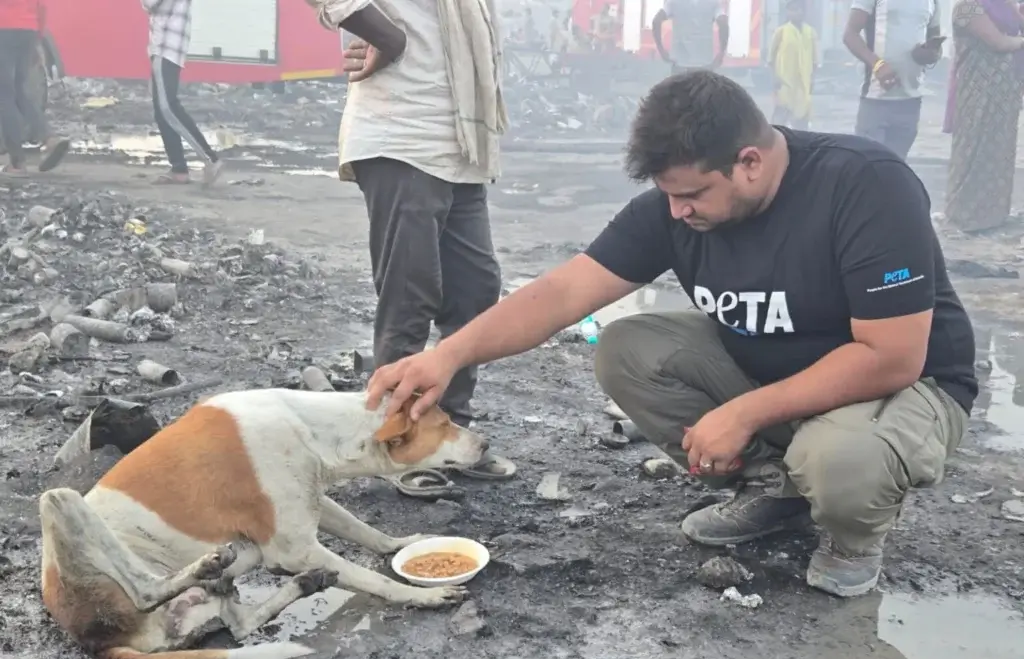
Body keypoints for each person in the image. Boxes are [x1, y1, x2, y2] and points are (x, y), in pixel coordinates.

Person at [365, 70, 977, 598]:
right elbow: (563, 293)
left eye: (692, 194)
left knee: (841, 459)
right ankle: (779, 488)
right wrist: (447, 355)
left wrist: (744, 412)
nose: (679, 212)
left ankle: (851, 539)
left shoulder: (866, 184)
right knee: (629, 349)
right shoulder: (676, 206)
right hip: (781, 372)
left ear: (750, 162)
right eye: (668, 196)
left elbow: (891, 356)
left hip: (904, 387)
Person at [310, 0, 517, 491]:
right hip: (402, 132)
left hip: (462, 142)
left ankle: (448, 433)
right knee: (409, 294)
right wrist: (389, 38)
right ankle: (400, 443)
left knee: (475, 291)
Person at [943, 0, 1024, 232]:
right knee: (975, 149)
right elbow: (998, 42)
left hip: (1005, 95)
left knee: (999, 151)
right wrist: (1021, 41)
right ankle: (964, 216)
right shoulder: (966, 7)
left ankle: (993, 215)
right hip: (977, 93)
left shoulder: (1006, 5)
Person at [843, 0, 944, 159]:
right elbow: (850, 34)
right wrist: (877, 64)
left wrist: (930, 54)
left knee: (896, 168)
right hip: (875, 100)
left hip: (911, 100)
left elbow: (935, 41)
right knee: (868, 167)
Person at [142, 0, 223, 185]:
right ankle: (179, 170)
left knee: (167, 107)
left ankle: (211, 159)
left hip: (166, 46)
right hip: (167, 45)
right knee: (161, 108)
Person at [0, 0, 70, 179]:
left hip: (4, 29)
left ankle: (17, 163)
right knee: (20, 92)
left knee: (5, 96)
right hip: (28, 29)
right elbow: (42, 6)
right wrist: (37, 38)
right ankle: (48, 137)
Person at [768, 0, 819, 129]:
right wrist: (774, 78)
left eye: (799, 9)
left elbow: (815, 60)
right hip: (785, 82)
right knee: (780, 117)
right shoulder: (781, 31)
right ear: (787, 12)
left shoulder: (810, 32)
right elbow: (771, 58)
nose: (797, 12)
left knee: (802, 117)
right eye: (793, 9)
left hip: (803, 83)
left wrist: (812, 79)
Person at [652, 0, 730, 73]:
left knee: (680, 87)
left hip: (680, 63)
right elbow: (723, 23)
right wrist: (721, 52)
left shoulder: (673, 2)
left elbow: (656, 21)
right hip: (705, 63)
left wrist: (661, 50)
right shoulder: (713, 2)